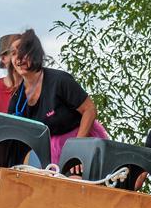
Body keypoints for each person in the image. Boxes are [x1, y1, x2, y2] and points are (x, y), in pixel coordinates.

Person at [8, 29, 107, 164]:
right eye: (13, 53)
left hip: (82, 142)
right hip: (51, 152)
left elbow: (90, 110)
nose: (18, 58)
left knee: (75, 179)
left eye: (23, 52)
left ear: (35, 53)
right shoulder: (17, 98)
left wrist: (77, 149)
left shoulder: (59, 80)